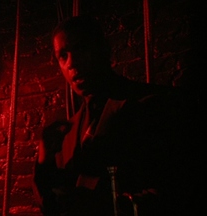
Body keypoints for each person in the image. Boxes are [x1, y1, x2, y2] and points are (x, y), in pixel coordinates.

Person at [33, 16, 201, 216]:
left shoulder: (154, 105)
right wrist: (44, 163)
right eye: (63, 55)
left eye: (80, 48)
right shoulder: (67, 134)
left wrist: (108, 205)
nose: (72, 62)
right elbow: (52, 206)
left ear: (104, 49)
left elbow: (182, 189)